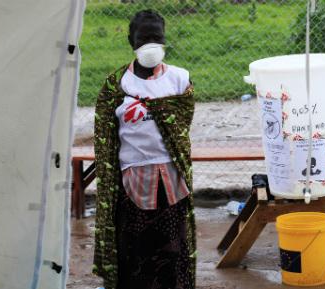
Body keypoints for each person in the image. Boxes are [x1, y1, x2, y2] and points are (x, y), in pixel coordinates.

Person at [92, 10, 196, 289]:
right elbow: (104, 137)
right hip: (132, 181)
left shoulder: (179, 80)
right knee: (135, 248)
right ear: (131, 41)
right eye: (143, 38)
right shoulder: (116, 86)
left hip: (171, 178)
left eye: (156, 37)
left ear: (164, 40)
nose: (150, 44)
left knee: (173, 249)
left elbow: (181, 125)